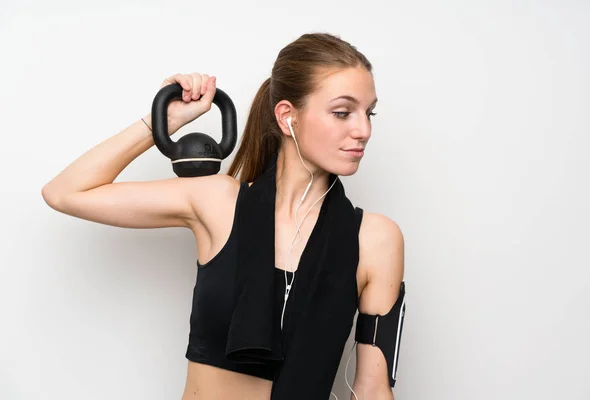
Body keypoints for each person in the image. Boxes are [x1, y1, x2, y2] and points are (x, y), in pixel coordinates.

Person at [42, 32, 405, 400]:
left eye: (368, 113)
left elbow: (373, 390)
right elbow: (65, 193)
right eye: (343, 112)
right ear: (287, 117)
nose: (363, 130)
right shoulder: (217, 201)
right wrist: (162, 123)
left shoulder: (376, 239)